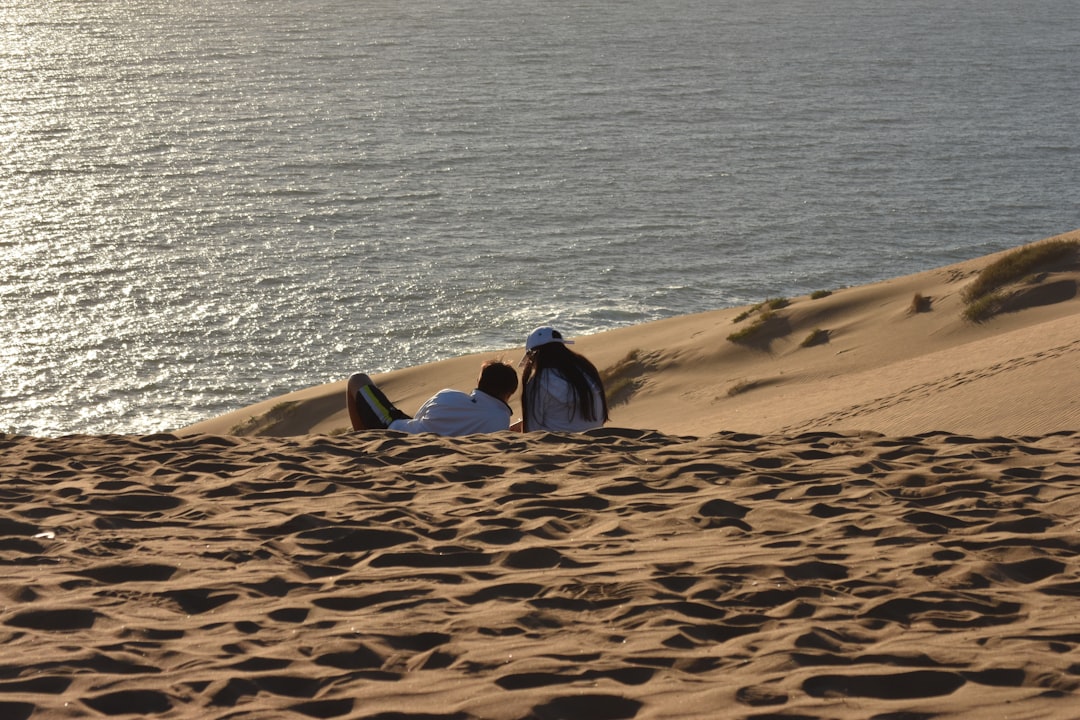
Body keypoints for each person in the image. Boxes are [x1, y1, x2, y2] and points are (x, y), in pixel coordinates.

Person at [347, 360, 518, 436]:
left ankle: (362, 440)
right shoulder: (501, 421)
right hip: (421, 445)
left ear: (479, 382)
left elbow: (419, 419)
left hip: (394, 431)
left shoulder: (448, 397)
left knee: (357, 379)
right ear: (510, 392)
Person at [517, 326, 608, 432]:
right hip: (595, 438)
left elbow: (533, 430)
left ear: (534, 355)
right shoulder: (587, 371)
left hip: (559, 444)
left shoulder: (539, 382)